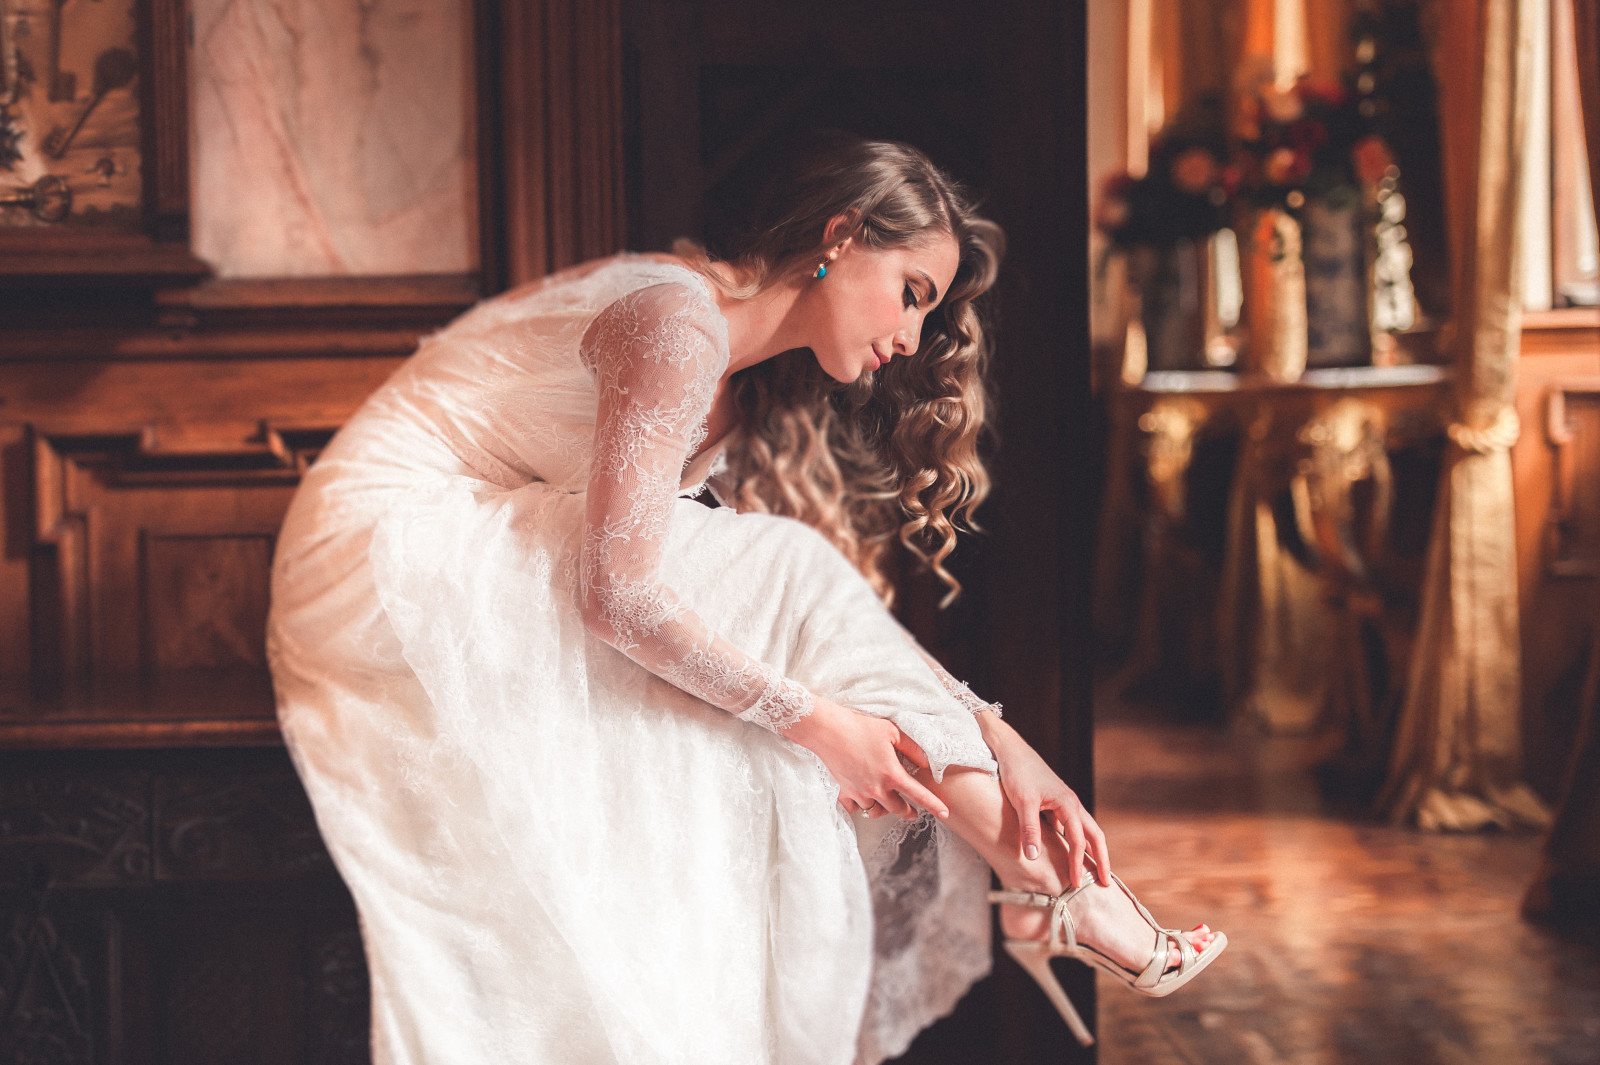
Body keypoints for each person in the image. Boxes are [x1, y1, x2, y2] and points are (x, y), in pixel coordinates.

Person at [267, 135, 1225, 1065]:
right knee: (776, 610)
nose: (913, 336)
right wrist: (820, 724)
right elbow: (618, 597)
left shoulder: (731, 381)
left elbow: (814, 620)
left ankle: (1042, 886)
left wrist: (1004, 740)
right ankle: (1054, 893)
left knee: (768, 617)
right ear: (842, 236)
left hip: (462, 535)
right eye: (912, 293)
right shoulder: (678, 324)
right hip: (378, 546)